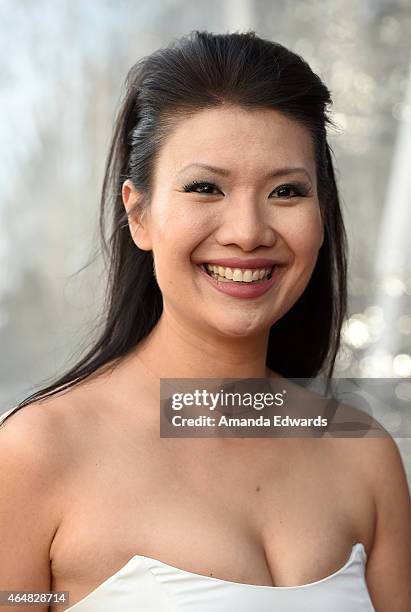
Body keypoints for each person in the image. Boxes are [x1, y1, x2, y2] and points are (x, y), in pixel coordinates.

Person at [0, 30, 410, 612]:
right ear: (138, 214)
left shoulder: (363, 454)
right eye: (205, 187)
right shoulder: (35, 454)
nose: (247, 230)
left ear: (322, 215)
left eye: (286, 191)